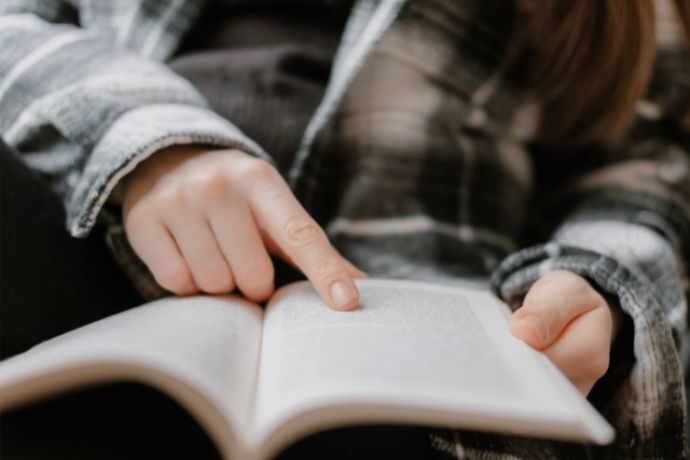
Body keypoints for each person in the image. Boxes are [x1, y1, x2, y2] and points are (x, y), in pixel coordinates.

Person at [0, 0, 688, 458]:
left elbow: (642, 163)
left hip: (412, 372)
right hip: (88, 269)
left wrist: (598, 284)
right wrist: (153, 147)